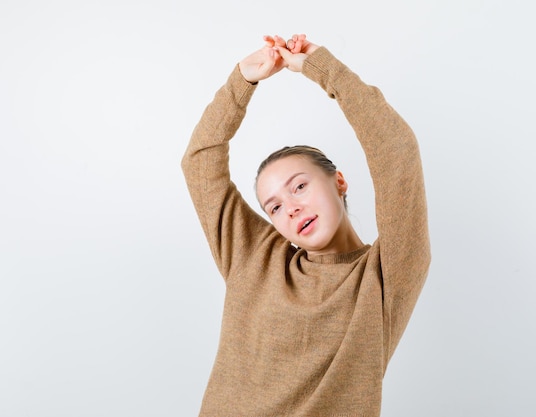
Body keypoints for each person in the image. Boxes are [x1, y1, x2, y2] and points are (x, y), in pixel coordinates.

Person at [182, 33, 431, 417]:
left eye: (299, 186)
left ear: (339, 182)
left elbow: (397, 155)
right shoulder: (253, 257)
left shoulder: (386, 277)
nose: (292, 209)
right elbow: (200, 163)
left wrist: (324, 69)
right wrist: (241, 81)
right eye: (275, 207)